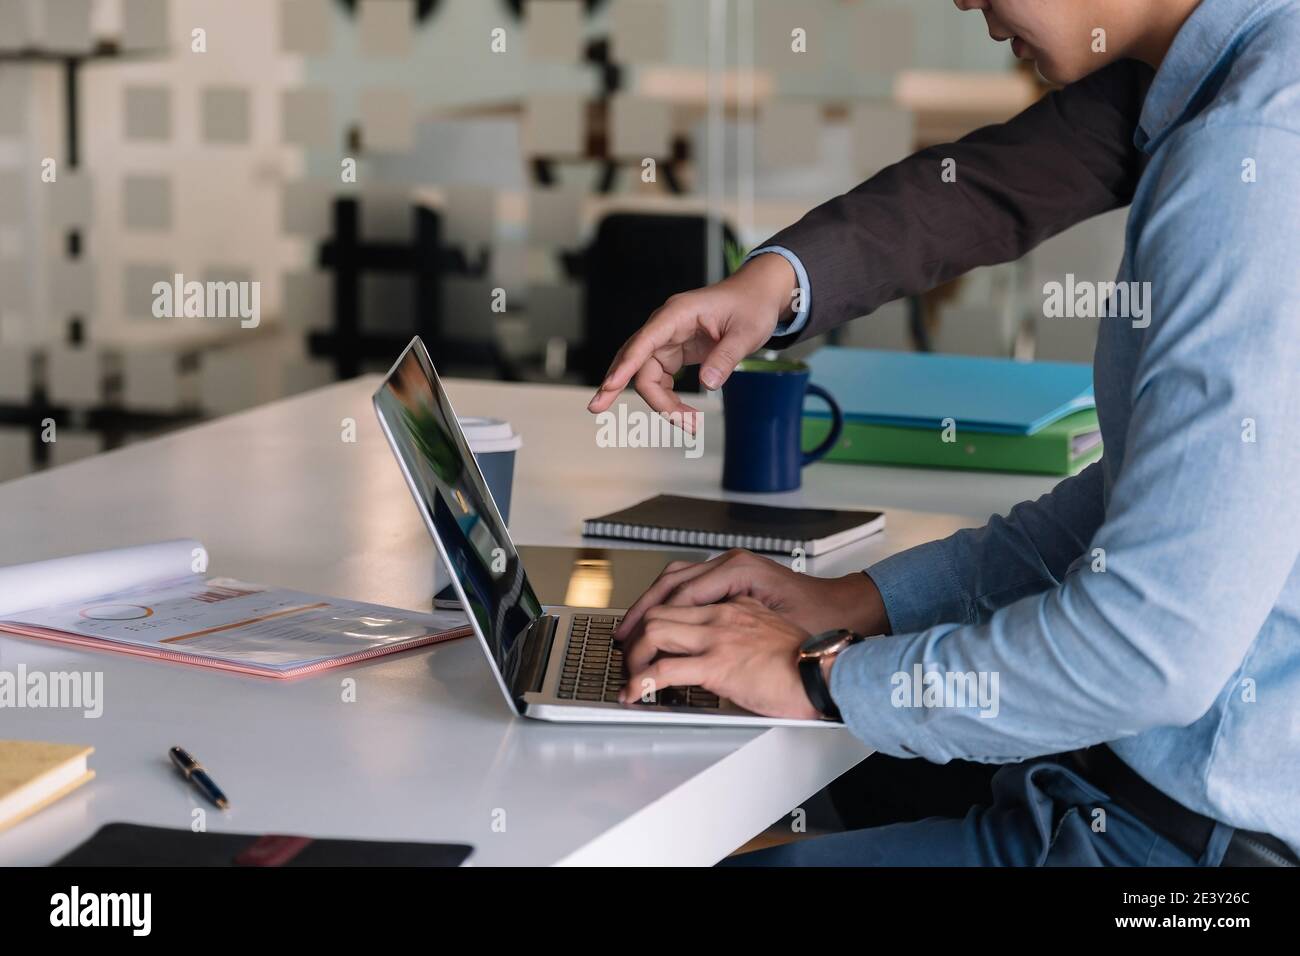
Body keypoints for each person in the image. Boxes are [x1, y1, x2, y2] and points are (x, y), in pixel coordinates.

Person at [586, 0, 1300, 866]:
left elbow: (1153, 650)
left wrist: (820, 678)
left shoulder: (1253, 155)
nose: (961, 0)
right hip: (1122, 797)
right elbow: (1141, 510)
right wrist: (857, 605)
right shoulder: (1243, 77)